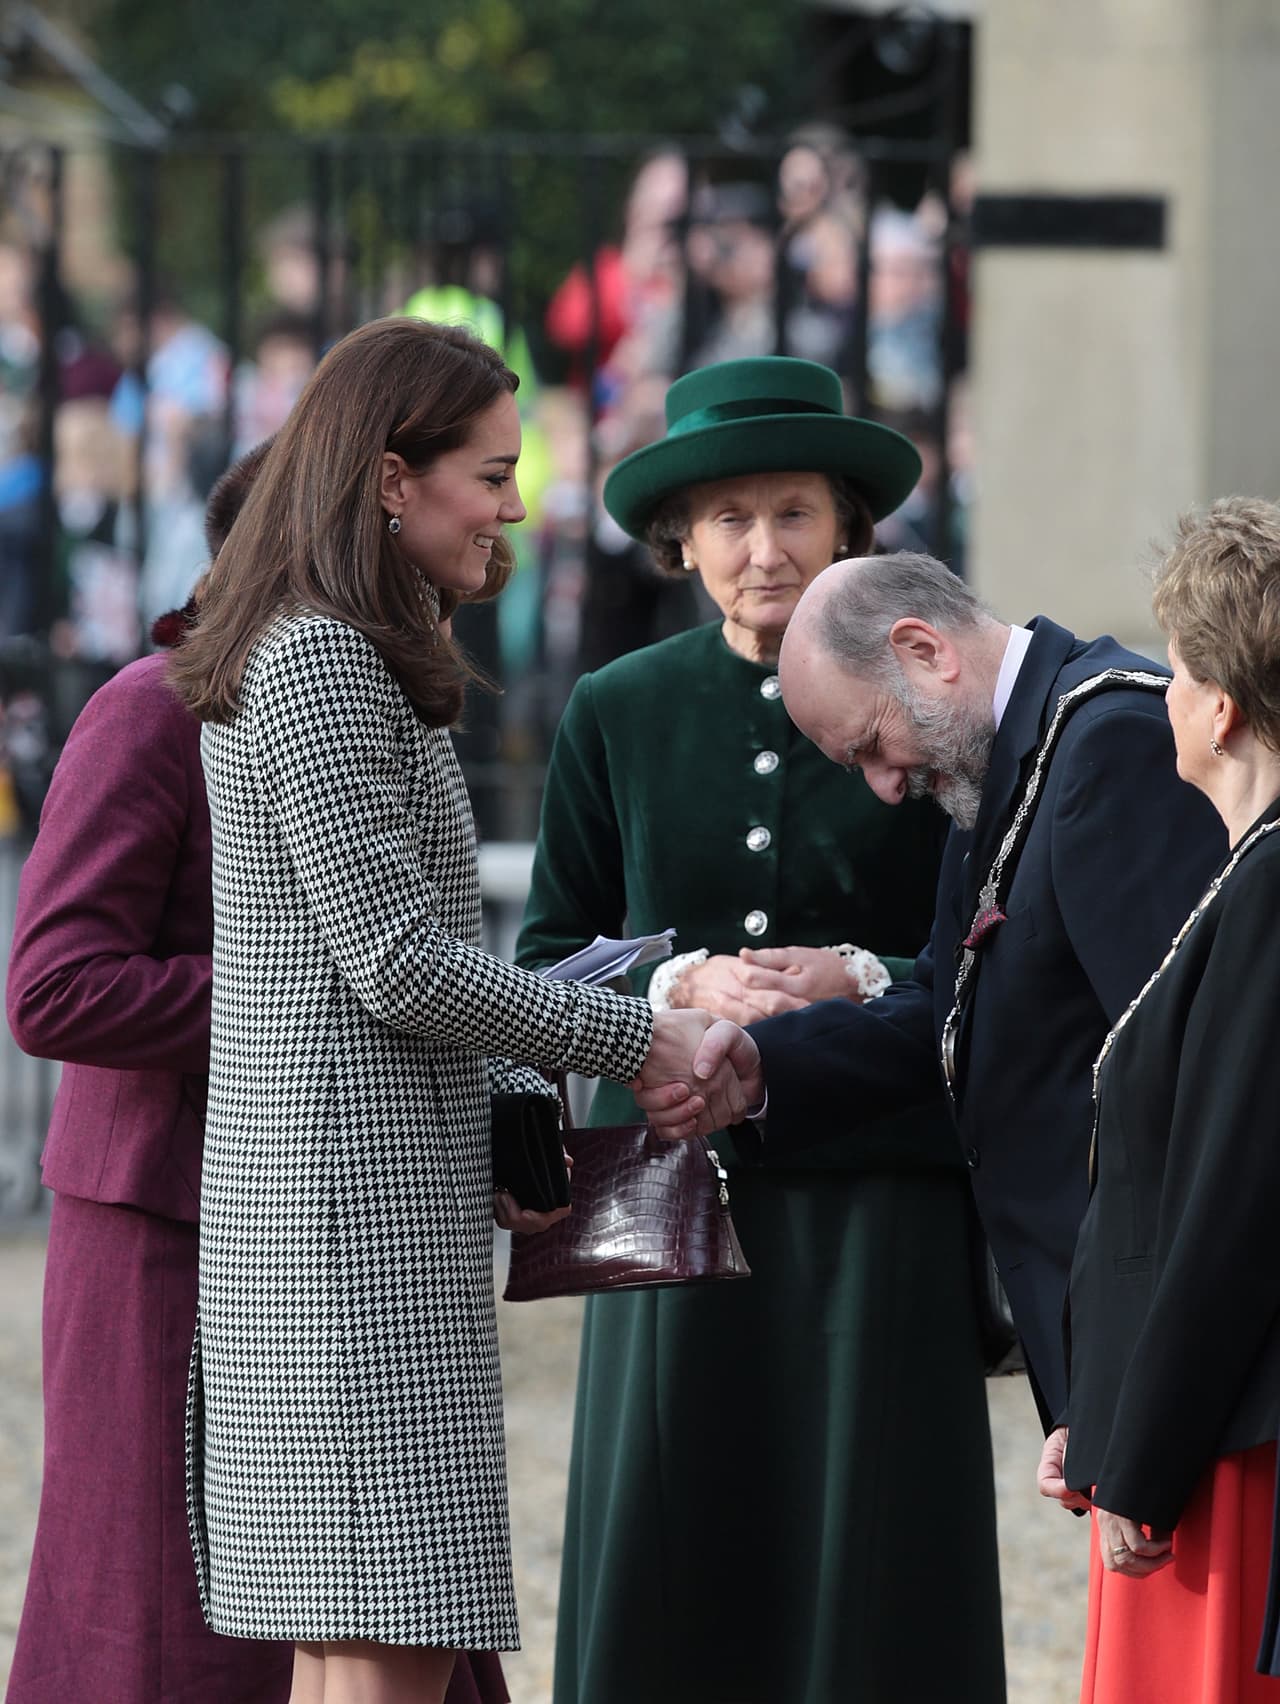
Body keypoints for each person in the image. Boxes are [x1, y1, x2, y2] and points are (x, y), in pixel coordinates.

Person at [166, 316, 737, 1704]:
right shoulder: (315, 659)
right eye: (490, 472)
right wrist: (633, 1034)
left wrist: (499, 1111)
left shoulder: (346, 646)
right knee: (387, 1636)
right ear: (386, 478)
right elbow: (396, 962)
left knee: (357, 1639)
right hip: (336, 1222)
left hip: (353, 1206)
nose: (515, 503)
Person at [516, 357, 1006, 1704]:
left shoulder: (933, 692)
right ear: (681, 538)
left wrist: (856, 974)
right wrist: (670, 995)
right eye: (728, 518)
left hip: (882, 1178)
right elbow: (545, 954)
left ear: (847, 525)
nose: (762, 548)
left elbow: (1003, 948)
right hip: (668, 1183)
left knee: (873, 1541)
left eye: (792, 511)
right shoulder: (616, 708)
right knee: (669, 1532)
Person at [640, 550, 1226, 1441]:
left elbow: (1188, 1078)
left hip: (1167, 1341)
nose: (883, 785)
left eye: (872, 743)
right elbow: (946, 1016)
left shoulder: (1109, 740)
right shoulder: (1001, 764)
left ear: (924, 649)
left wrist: (1151, 1383)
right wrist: (760, 1068)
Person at [1060, 498, 1280, 1703]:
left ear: (1225, 708)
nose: (1161, 697)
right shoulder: (1247, 872)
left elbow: (1228, 1209)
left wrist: (1138, 1460)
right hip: (1190, 1430)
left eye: (1179, 672)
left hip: (1222, 1454)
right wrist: (1098, 1425)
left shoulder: (1272, 886)